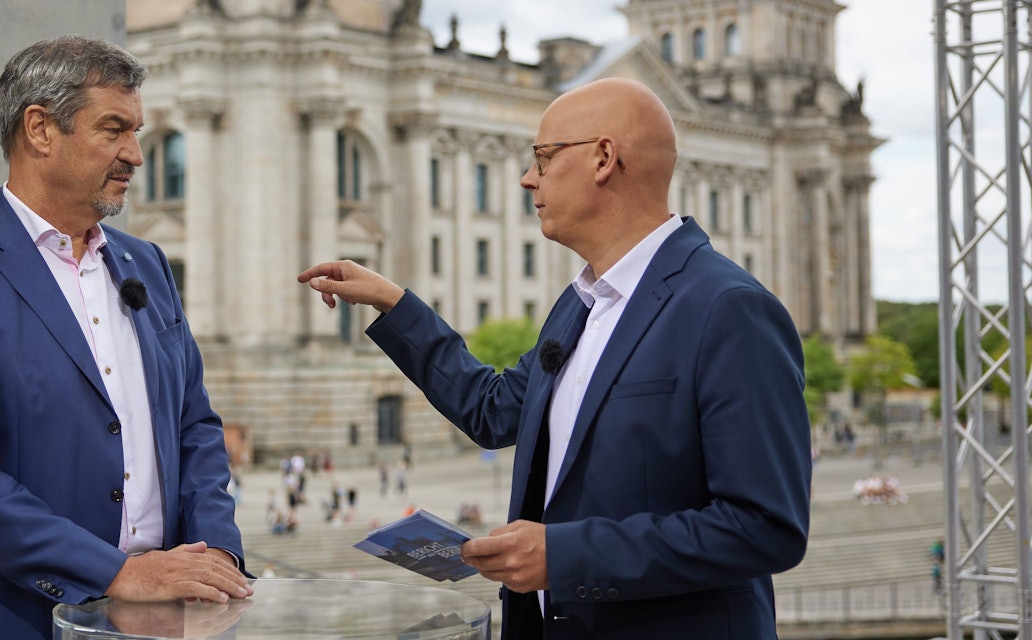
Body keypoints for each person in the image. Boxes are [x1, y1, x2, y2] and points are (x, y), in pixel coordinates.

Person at [298, 77, 810, 640]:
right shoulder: (579, 303)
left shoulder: (729, 309)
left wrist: (566, 555)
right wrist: (394, 304)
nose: (527, 178)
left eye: (543, 157)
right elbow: (493, 411)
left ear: (603, 158)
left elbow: (765, 527)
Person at [0, 36, 251, 639]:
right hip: (2, 618)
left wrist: (219, 557)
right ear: (40, 129)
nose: (136, 153)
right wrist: (114, 573)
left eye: (137, 131)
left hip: (157, 620)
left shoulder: (148, 264)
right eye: (113, 129)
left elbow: (195, 427)